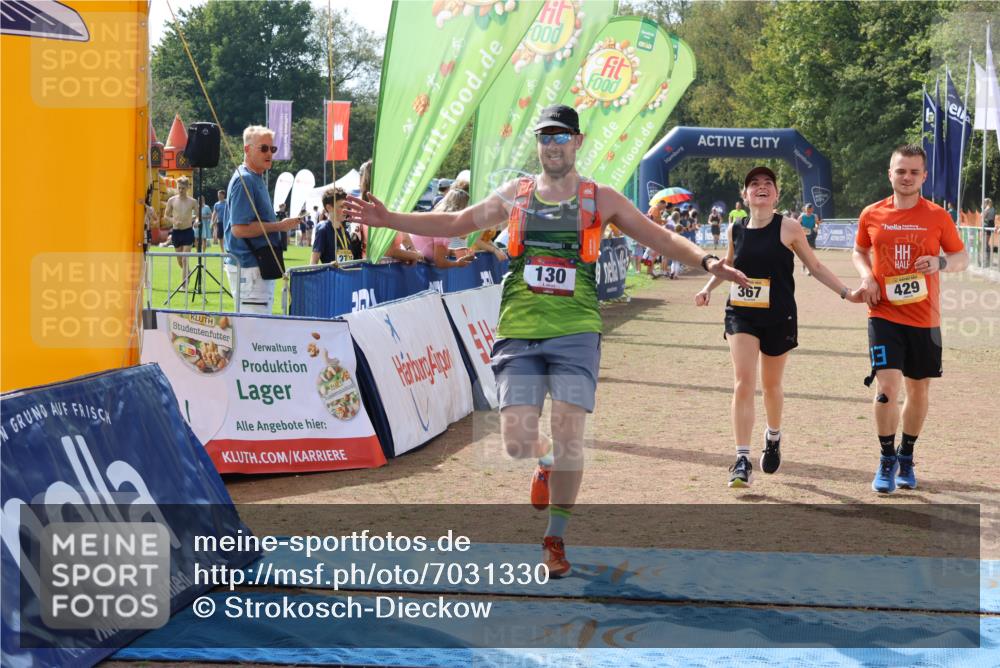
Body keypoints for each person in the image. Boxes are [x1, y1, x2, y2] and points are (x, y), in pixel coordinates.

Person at [344, 104, 748, 576]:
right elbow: (456, 223)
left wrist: (707, 262)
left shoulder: (602, 198)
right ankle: (545, 460)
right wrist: (390, 219)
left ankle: (554, 538)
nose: (552, 145)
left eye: (560, 136)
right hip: (519, 332)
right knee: (517, 440)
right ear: (538, 144)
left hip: (576, 331)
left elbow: (659, 238)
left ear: (577, 141)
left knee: (570, 434)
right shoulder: (515, 196)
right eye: (545, 137)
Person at [695, 166, 864, 488]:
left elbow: (815, 266)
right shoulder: (734, 229)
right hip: (741, 313)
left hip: (779, 315)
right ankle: (741, 459)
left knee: (771, 385)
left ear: (776, 194)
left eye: (767, 183)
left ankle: (773, 437)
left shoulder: (789, 228)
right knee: (743, 382)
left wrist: (847, 293)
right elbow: (728, 267)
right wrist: (707, 289)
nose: (761, 187)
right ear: (745, 195)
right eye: (754, 184)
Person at [852, 144, 968, 493]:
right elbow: (859, 250)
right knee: (887, 389)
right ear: (890, 173)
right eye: (901, 171)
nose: (907, 177)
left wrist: (940, 262)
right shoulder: (872, 213)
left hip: (924, 318)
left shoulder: (937, 216)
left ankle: (906, 455)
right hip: (883, 313)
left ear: (924, 176)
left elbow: (961, 257)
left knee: (918, 391)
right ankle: (886, 458)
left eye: (914, 172)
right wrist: (867, 276)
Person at [223, 125, 302, 314]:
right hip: (249, 266)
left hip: (257, 266)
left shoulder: (255, 178)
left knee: (258, 323)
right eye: (264, 148)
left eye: (272, 149)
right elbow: (239, 229)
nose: (269, 153)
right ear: (247, 149)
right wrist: (279, 226)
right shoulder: (245, 180)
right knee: (254, 325)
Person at [164, 176, 198, 278]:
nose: (180, 190)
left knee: (184, 259)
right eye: (179, 188)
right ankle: (188, 272)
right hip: (176, 232)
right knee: (180, 261)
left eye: (183, 188)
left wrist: (196, 221)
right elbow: (166, 216)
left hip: (188, 231)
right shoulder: (171, 200)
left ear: (187, 188)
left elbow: (198, 216)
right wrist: (173, 221)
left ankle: (184, 284)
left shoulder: (192, 201)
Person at [311, 187, 354, 264]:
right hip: (331, 272)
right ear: (329, 207)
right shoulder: (323, 229)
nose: (345, 210)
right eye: (341, 207)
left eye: (346, 207)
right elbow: (313, 262)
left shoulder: (345, 232)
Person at [983, 198, 995, 266]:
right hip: (991, 224)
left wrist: (983, 209)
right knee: (986, 243)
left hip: (988, 225)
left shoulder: (988, 208)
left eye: (984, 202)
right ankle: (988, 259)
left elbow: (982, 216)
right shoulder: (992, 208)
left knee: (986, 243)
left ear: (986, 203)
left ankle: (987, 260)